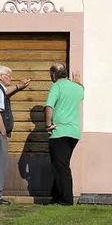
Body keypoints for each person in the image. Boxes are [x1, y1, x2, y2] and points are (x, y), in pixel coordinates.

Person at [0, 66, 31, 204]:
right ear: (0, 77)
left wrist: (18, 86)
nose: (11, 77)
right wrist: (3, 131)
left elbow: (5, 92)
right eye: (8, 75)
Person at [44, 63, 84, 205]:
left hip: (60, 132)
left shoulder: (57, 86)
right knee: (61, 164)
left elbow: (49, 106)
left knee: (60, 166)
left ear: (53, 75)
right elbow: (82, 92)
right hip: (74, 133)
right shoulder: (77, 88)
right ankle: (56, 196)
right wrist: (78, 82)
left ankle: (66, 200)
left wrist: (48, 125)